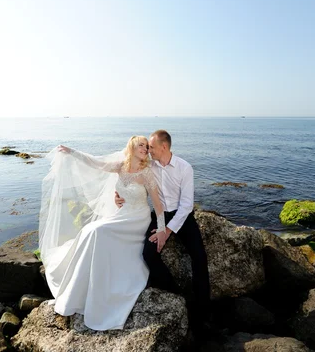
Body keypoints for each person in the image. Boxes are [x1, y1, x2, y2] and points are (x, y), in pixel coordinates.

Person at [39, 135, 167, 331]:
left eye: (146, 146)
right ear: (132, 147)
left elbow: (158, 205)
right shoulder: (120, 166)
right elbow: (95, 163)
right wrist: (73, 153)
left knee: (98, 231)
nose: (145, 149)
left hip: (137, 219)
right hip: (122, 213)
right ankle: (79, 289)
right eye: (141, 145)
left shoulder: (146, 173)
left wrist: (161, 230)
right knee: (87, 230)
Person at [115, 130, 211, 332]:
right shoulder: (149, 165)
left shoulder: (185, 168)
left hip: (182, 217)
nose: (148, 150)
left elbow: (186, 205)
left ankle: (203, 310)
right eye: (146, 147)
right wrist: (118, 194)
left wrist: (166, 231)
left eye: (151, 147)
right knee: (148, 254)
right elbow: (129, 172)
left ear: (164, 147)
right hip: (158, 215)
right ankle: (176, 294)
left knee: (200, 258)